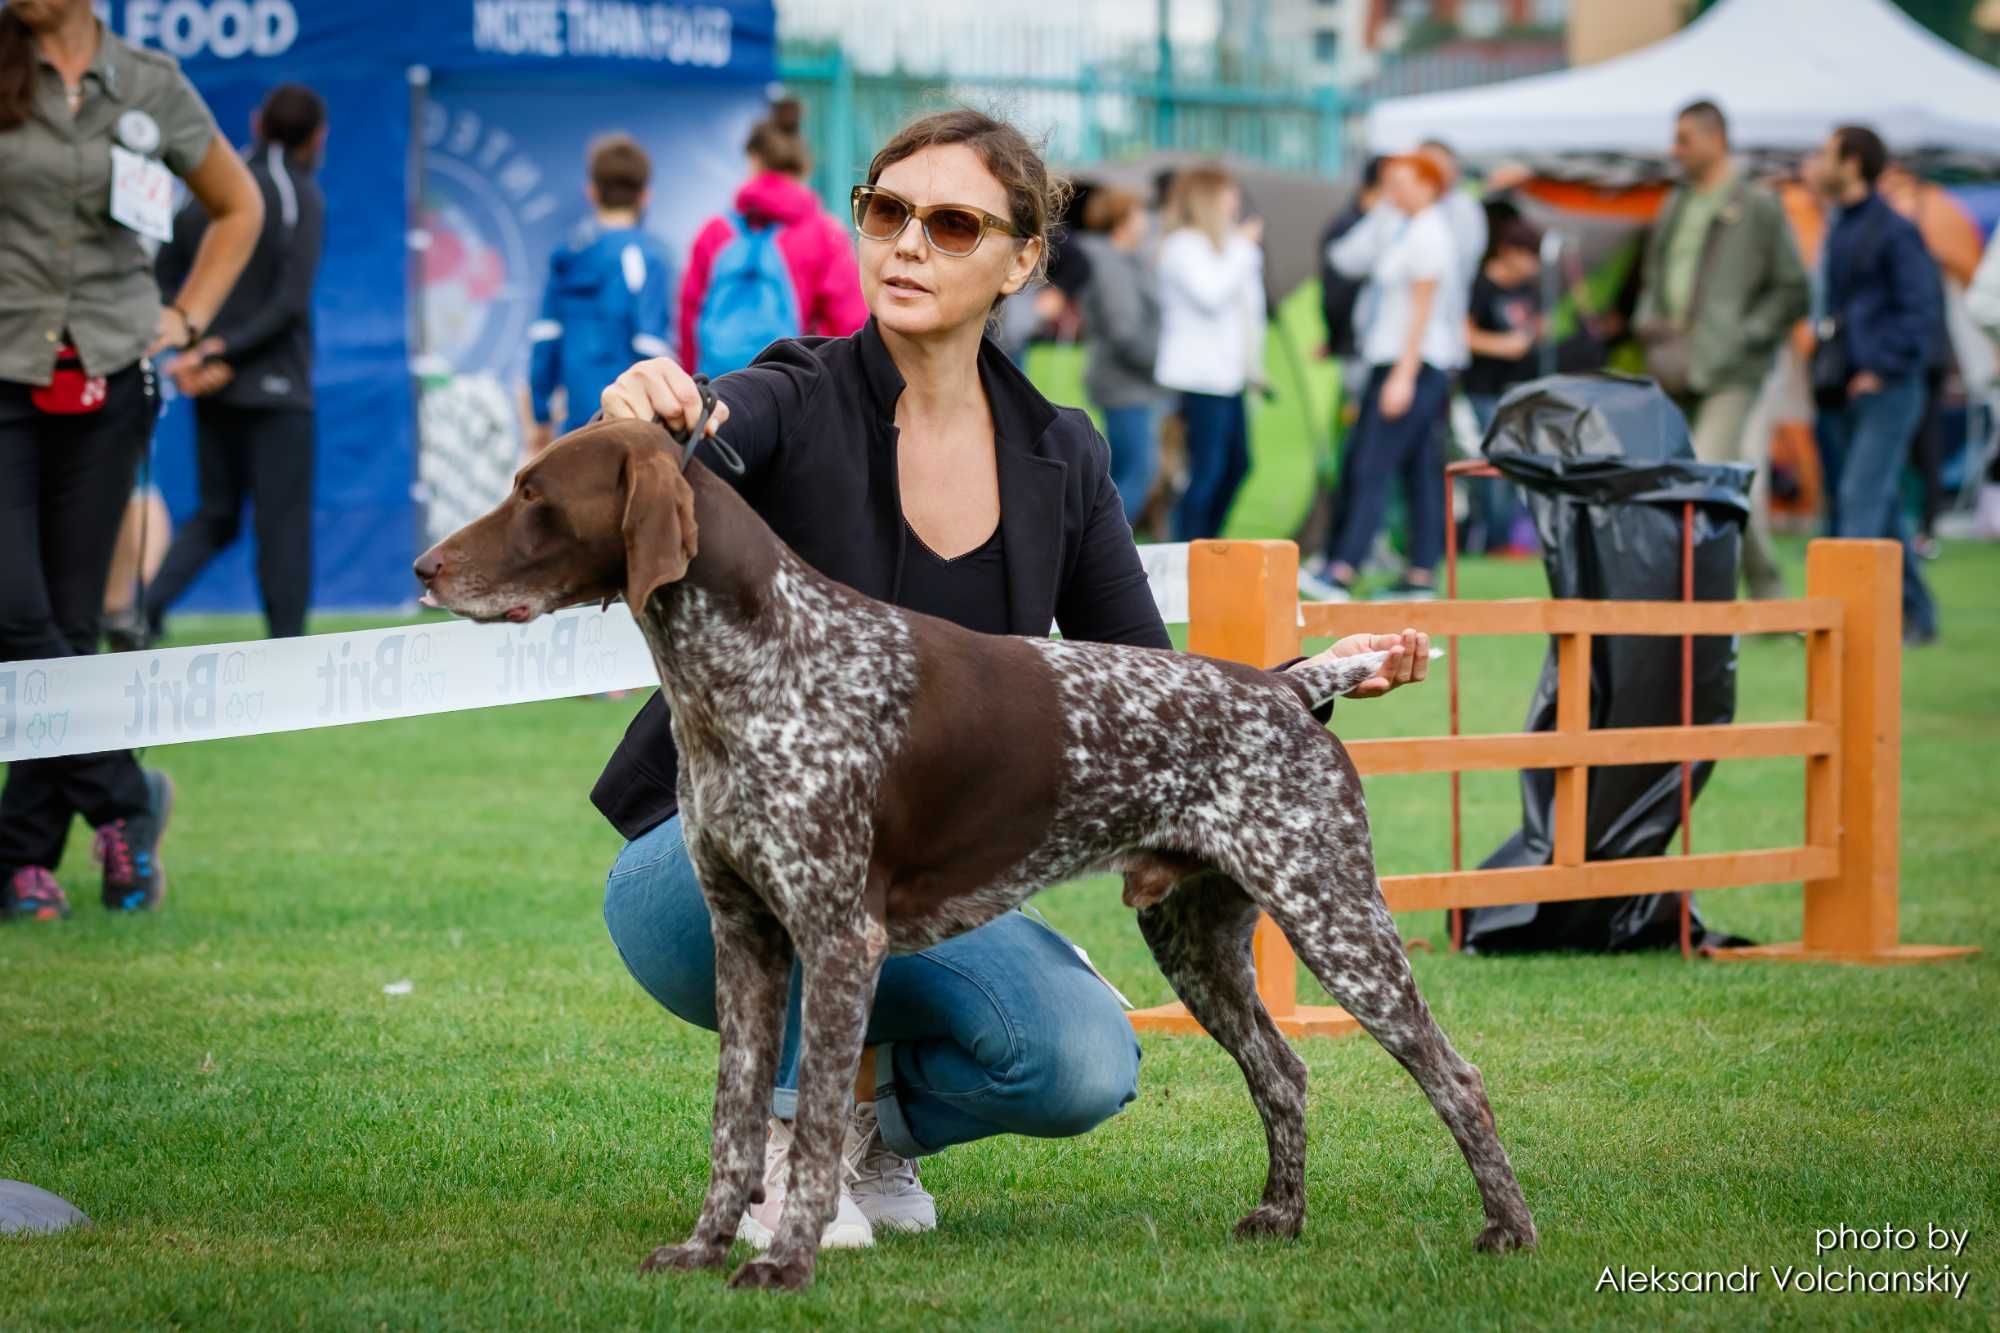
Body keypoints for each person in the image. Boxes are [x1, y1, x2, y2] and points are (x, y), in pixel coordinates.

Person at [589, 108, 1433, 1251]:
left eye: (949, 224)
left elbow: (1145, 688)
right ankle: (791, 1150)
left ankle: (869, 1124)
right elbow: (690, 435)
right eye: (884, 212)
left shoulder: (1061, 451)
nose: (905, 246)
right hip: (694, 863)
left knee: (1078, 1059)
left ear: (1022, 259)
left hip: (915, 878)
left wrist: (1305, 684)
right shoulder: (792, 393)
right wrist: (645, 403)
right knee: (808, 884)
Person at [0, 0, 261, 922]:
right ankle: (123, 796)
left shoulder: (150, 82)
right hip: (3, 376)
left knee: (71, 624)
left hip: (107, 385)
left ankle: (26, 860)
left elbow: (240, 206)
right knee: (15, 613)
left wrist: (184, 318)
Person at [147, 83, 327, 642]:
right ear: (318, 137)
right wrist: (216, 351)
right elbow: (289, 301)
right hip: (271, 389)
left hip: (212, 382)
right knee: (282, 528)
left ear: (256, 122)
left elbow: (163, 276)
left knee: (215, 516)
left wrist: (192, 349)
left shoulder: (208, 192)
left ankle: (141, 611)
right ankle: (288, 657)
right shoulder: (297, 194)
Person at [1634, 100, 1808, 601]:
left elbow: (1793, 287)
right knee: (1719, 477)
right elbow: (1655, 273)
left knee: (1706, 470)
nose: (1676, 149)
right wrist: (1649, 321)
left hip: (1733, 367)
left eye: (1685, 138)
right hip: (1675, 361)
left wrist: (1748, 334)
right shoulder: (1677, 203)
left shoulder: (1757, 204)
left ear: (1716, 139)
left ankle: (1697, 598)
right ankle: (1768, 590)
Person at [1811, 124, 1942, 644]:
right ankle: (1919, 614)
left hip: (1889, 387)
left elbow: (1920, 311)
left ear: (1852, 162)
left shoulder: (1894, 231)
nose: (1817, 162)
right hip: (1844, 386)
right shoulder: (1839, 225)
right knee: (1880, 504)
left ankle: (1847, 628)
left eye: (1827, 153)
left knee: (1859, 499)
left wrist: (1881, 367)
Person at [1313, 153, 1465, 601]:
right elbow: (1347, 260)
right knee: (1418, 469)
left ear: (1428, 185)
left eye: (1401, 183)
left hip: (1409, 365)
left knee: (1371, 464)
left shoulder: (1429, 234)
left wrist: (1403, 376)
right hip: (1402, 362)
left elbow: (1422, 311)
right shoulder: (1401, 227)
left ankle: (1342, 569)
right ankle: (1420, 573)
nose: (1392, 192)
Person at [677, 98, 864, 378]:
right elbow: (848, 324)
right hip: (787, 387)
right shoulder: (824, 233)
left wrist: (693, 384)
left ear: (754, 159)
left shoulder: (715, 231)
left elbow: (689, 317)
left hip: (717, 389)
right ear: (805, 166)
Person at [526, 134, 675, 451]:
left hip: (576, 425)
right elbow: (652, 345)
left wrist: (540, 412)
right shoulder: (650, 258)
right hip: (633, 422)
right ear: (645, 196)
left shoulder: (567, 255)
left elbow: (546, 337)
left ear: (592, 192)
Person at [1153, 163, 1266, 541]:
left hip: (1228, 376)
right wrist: (1244, 249)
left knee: (1238, 464)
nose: (1235, 201)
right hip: (1199, 377)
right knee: (1207, 470)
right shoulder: (1183, 246)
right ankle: (1189, 547)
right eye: (1227, 193)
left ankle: (1207, 542)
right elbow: (1211, 295)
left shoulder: (1224, 247)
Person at [1074, 187, 1168, 524]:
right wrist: (1161, 364)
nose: (1146, 221)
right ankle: (1103, 551)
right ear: (1123, 220)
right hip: (1125, 383)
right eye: (1140, 213)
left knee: (1122, 470)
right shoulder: (1111, 264)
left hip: (1133, 381)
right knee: (1139, 471)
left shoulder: (1125, 259)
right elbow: (1124, 330)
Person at [1461, 218, 1544, 555]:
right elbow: (1462, 335)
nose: (1533, 266)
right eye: (1528, 256)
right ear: (1508, 251)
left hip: (1521, 386)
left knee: (1519, 467)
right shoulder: (1480, 286)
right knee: (1494, 466)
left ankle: (1511, 539)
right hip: (1484, 388)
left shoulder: (1528, 288)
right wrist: (1503, 345)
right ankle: (1493, 540)